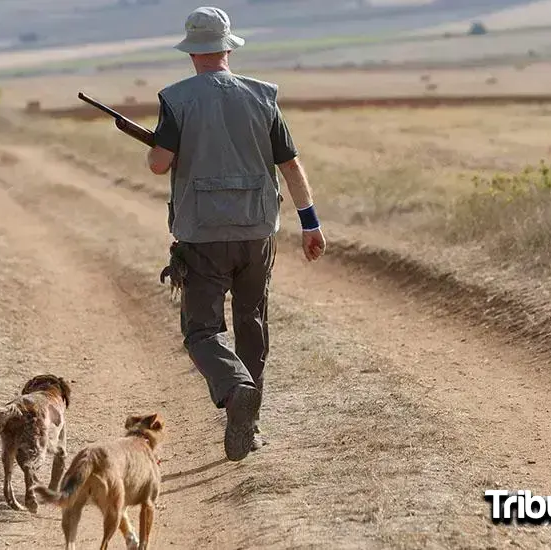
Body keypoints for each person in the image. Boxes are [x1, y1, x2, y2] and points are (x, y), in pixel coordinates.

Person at [147, 6, 327, 462]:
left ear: (192, 53)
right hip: (257, 230)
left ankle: (234, 388)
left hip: (201, 235)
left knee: (201, 332)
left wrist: (163, 142)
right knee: (252, 322)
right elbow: (290, 164)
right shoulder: (263, 96)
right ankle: (251, 426)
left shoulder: (176, 99)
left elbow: (158, 164)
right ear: (228, 48)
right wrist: (311, 222)